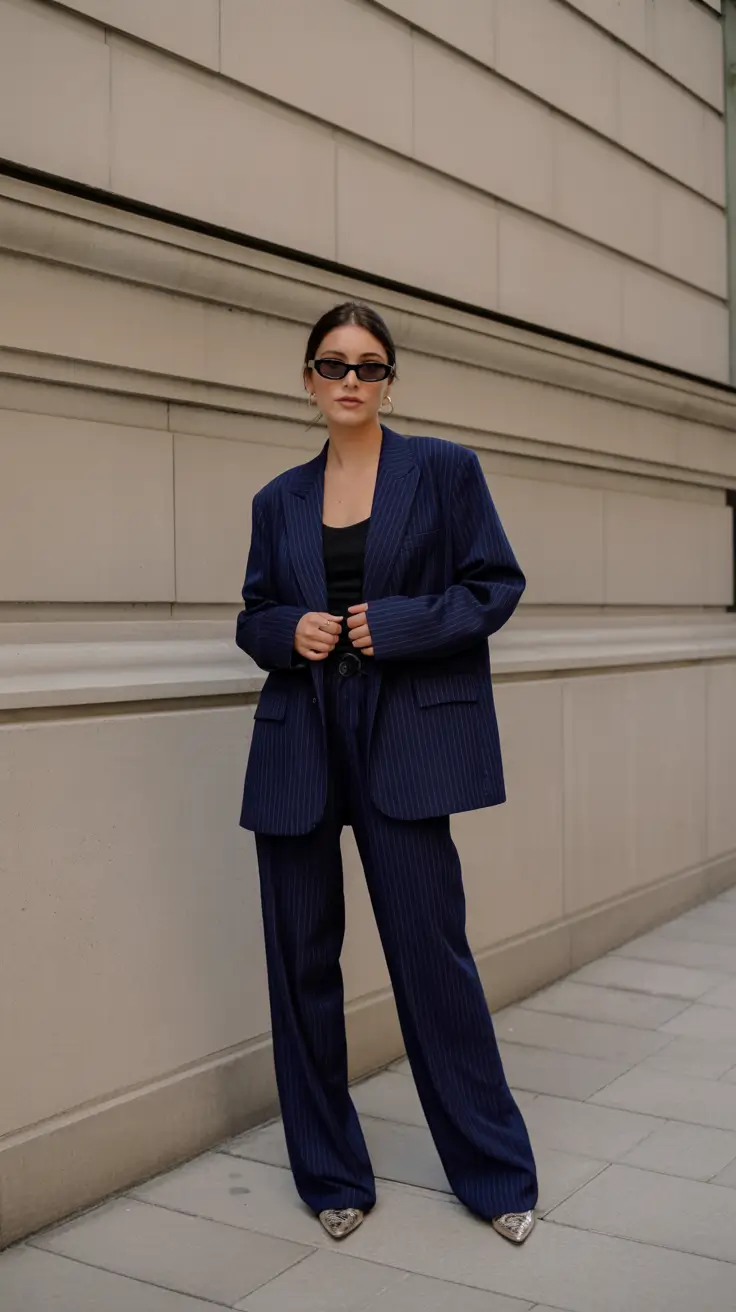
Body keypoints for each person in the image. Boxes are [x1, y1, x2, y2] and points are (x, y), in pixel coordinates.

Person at [236, 301, 538, 1244]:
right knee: (300, 966)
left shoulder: (445, 470)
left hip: (404, 737)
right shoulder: (277, 498)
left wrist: (399, 624)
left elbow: (497, 585)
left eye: (369, 367)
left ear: (390, 381)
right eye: (333, 365)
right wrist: (288, 630)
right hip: (300, 741)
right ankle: (332, 1174)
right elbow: (251, 616)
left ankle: (495, 1176)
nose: (351, 382)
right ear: (308, 381)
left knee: (431, 960)